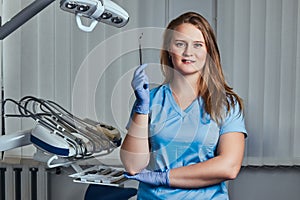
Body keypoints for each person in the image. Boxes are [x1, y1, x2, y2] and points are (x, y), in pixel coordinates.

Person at [120, 12, 247, 199]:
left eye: (198, 45)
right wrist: (141, 107)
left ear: (208, 52)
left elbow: (229, 167)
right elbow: (133, 165)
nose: (188, 52)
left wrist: (164, 178)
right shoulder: (149, 100)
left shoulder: (226, 104)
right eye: (180, 44)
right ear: (169, 51)